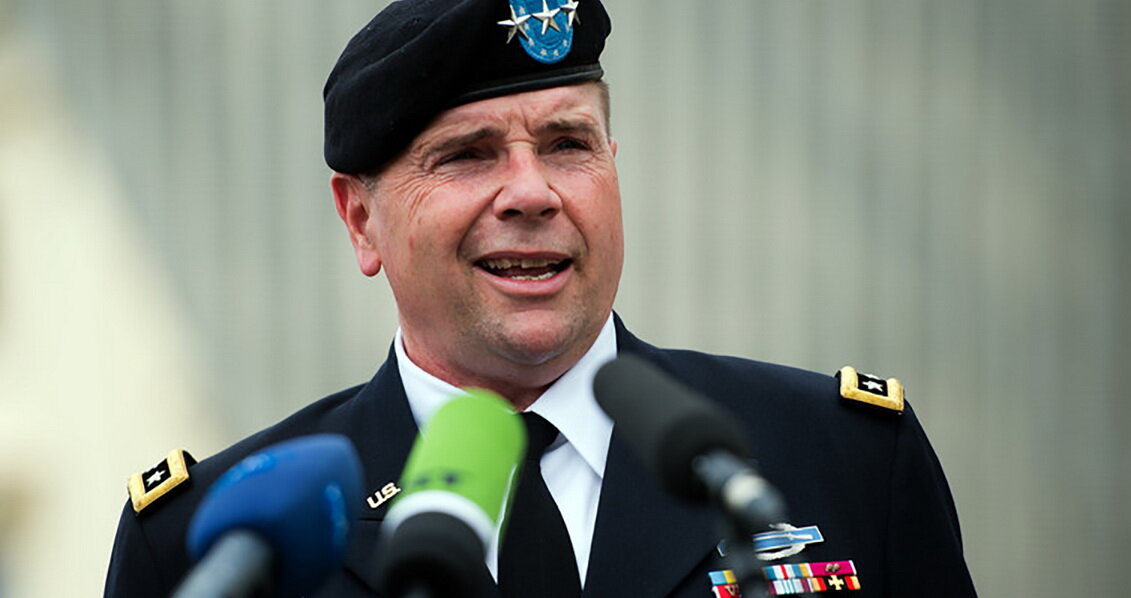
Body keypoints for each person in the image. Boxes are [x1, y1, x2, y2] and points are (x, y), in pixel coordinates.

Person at [105, 1, 977, 596]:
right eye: (468, 155)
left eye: (567, 144)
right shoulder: (225, 544)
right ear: (361, 219)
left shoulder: (839, 457)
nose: (532, 193)